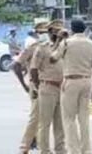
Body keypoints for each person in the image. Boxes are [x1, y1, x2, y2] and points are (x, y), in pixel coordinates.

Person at [52, 19, 92, 154]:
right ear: (84, 29)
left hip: (71, 81)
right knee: (84, 118)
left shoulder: (66, 43)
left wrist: (58, 40)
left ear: (72, 29)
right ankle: (86, 150)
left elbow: (52, 58)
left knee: (69, 118)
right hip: (86, 81)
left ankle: (74, 150)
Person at [11, 21, 48, 154]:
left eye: (47, 32)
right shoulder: (33, 47)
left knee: (47, 117)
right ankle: (25, 146)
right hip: (37, 85)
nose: (45, 35)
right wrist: (25, 85)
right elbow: (16, 65)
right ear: (37, 34)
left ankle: (40, 143)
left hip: (50, 85)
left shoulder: (53, 47)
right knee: (36, 116)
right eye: (42, 33)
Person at [30, 20, 66, 154]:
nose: (58, 34)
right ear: (50, 32)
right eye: (56, 31)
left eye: (60, 31)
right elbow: (34, 69)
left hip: (61, 87)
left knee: (60, 123)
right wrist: (38, 86)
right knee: (45, 123)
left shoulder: (64, 47)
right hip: (47, 86)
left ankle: (60, 148)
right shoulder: (42, 48)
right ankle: (44, 150)